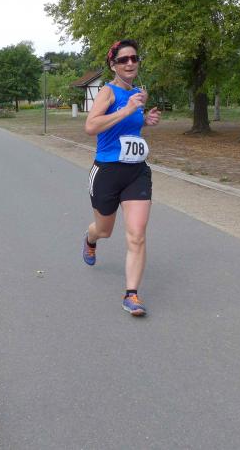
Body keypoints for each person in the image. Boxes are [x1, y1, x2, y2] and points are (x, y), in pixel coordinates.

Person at [81, 39, 160, 317]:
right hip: (107, 171)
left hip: (136, 171)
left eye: (134, 58)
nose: (130, 63)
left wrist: (145, 120)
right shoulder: (108, 92)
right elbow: (91, 126)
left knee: (137, 235)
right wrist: (126, 110)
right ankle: (90, 239)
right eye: (123, 59)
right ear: (113, 65)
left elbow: (130, 130)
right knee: (104, 230)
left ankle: (131, 295)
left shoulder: (139, 93)